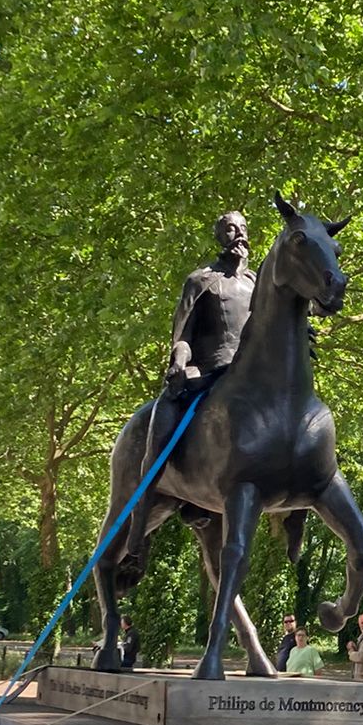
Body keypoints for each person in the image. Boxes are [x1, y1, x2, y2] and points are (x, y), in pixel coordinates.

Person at [122, 211, 256, 576]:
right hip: (206, 373)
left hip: (247, 379)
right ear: (219, 236)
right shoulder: (201, 280)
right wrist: (179, 362)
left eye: (244, 229)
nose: (239, 234)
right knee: (164, 418)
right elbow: (181, 336)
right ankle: (138, 529)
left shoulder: (258, 285)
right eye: (231, 228)